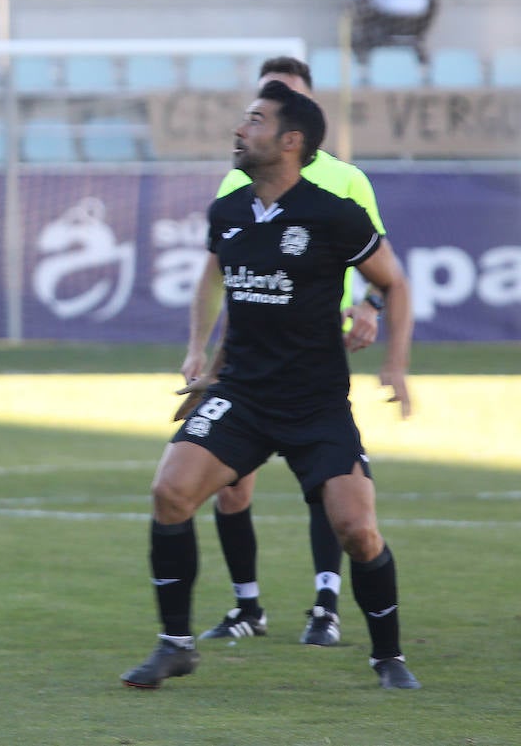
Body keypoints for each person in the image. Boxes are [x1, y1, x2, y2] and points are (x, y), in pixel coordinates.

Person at [121, 81, 420, 691]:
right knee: (170, 493)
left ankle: (388, 657)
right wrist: (211, 372)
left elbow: (396, 283)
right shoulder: (228, 212)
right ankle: (175, 644)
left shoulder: (333, 213)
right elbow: (242, 301)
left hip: (315, 403)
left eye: (253, 121)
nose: (240, 130)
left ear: (290, 141)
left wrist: (395, 365)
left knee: (357, 532)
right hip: (243, 396)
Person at [177, 57, 388, 649]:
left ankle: (326, 603)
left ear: (303, 119)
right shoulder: (236, 185)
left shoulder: (346, 182)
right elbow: (218, 273)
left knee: (328, 480)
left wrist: (369, 307)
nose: (263, 112)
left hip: (317, 345)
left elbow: (383, 263)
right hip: (250, 359)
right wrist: (200, 351)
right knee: (229, 482)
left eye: (284, 98)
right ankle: (247, 604)